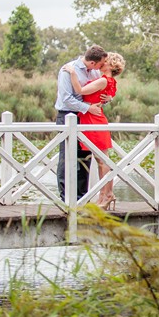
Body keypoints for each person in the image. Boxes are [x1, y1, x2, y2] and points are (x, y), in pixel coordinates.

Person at [62, 52, 126, 210]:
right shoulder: (109, 81)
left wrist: (72, 72)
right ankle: (103, 195)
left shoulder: (103, 80)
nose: (101, 63)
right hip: (92, 118)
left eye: (105, 61)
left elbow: (80, 90)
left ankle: (108, 194)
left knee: (103, 161)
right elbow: (112, 93)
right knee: (101, 161)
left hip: (94, 119)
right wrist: (108, 98)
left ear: (110, 65)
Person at [55, 45, 107, 201]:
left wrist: (104, 100)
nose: (102, 66)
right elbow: (66, 98)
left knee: (86, 156)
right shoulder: (68, 70)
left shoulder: (96, 72)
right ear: (92, 62)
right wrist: (88, 108)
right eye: (101, 63)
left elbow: (97, 92)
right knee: (67, 156)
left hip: (87, 117)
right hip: (67, 115)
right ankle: (66, 198)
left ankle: (81, 197)